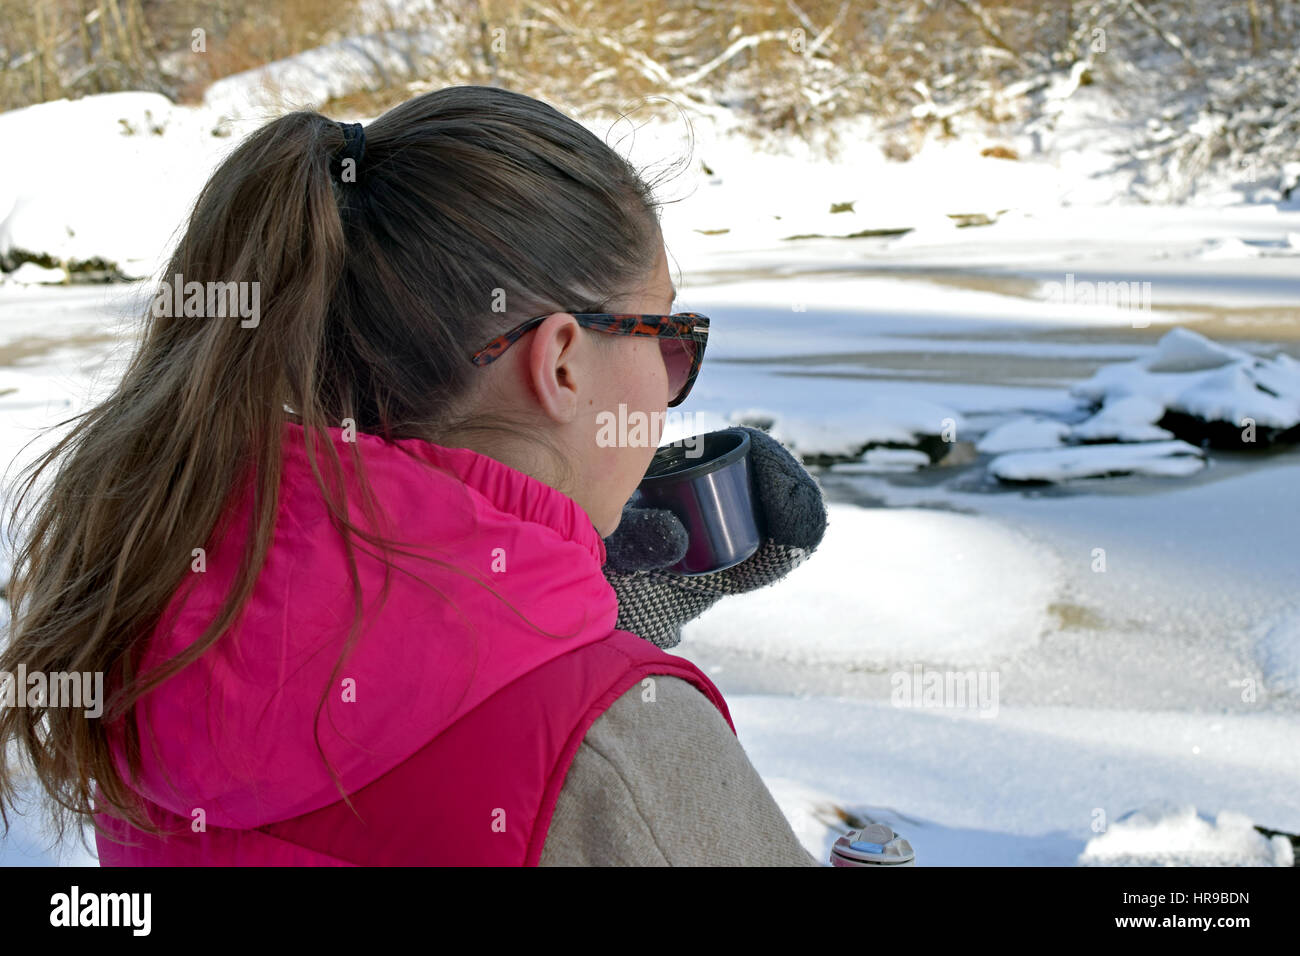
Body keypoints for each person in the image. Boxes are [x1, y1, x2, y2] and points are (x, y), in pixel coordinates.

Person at [0, 85, 826, 866]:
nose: (674, 376)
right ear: (565, 363)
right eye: (668, 334)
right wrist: (581, 680)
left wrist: (564, 623)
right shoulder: (627, 751)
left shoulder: (154, 613)